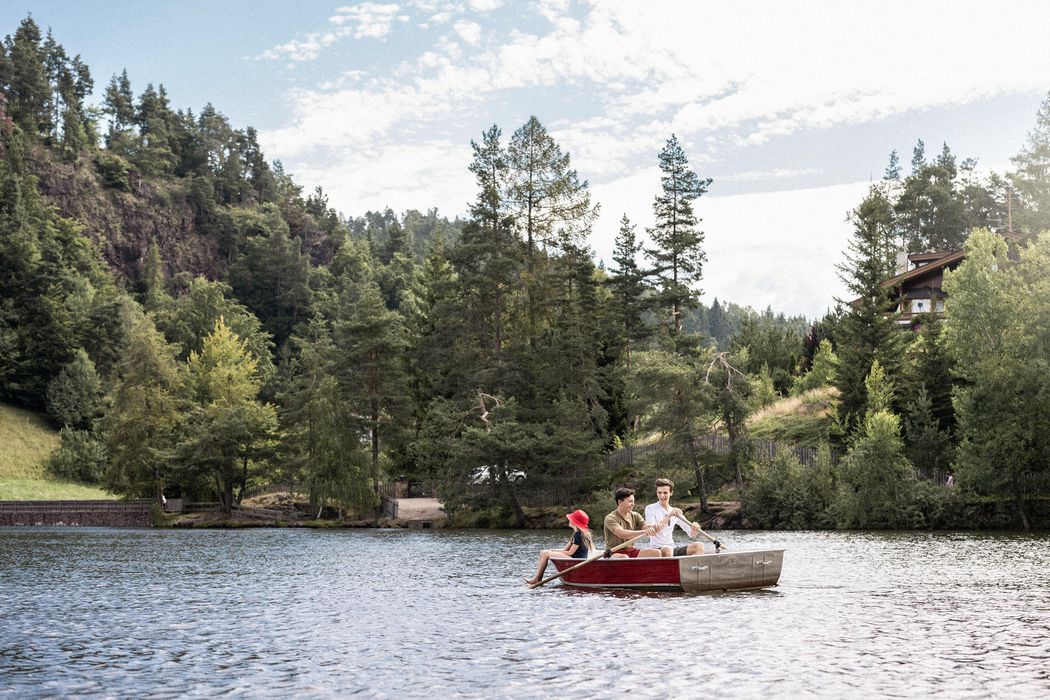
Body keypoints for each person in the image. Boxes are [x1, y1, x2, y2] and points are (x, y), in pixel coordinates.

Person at [524, 509, 594, 585]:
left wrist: (551, 552)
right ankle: (538, 578)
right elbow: (565, 550)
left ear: (575, 522)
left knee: (546, 554)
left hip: (576, 561)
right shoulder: (575, 533)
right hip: (573, 558)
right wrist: (553, 550)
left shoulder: (579, 535)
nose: (569, 520)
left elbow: (570, 553)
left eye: (571, 519)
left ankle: (537, 579)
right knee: (543, 552)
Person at [644, 478, 705, 557]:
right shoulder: (650, 508)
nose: (662, 495)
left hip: (672, 548)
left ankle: (696, 567)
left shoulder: (674, 511)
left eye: (665, 493)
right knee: (667, 549)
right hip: (657, 550)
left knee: (699, 546)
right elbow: (653, 532)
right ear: (656, 493)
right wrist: (669, 516)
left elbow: (691, 534)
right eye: (659, 492)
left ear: (671, 493)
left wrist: (695, 529)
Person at [603, 487, 665, 558]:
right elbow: (622, 534)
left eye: (633, 501)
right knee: (624, 557)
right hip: (613, 552)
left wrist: (654, 527)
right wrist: (644, 532)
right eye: (630, 501)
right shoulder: (610, 518)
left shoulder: (635, 515)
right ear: (620, 502)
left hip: (631, 550)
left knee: (656, 553)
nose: (633, 504)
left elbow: (646, 526)